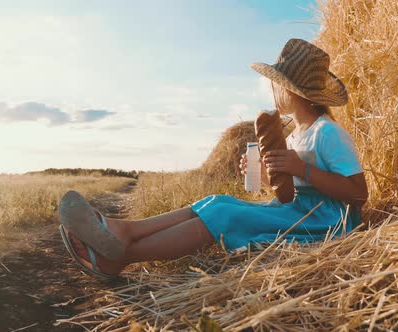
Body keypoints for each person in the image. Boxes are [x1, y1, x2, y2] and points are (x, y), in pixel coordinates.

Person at [58, 39, 368, 279]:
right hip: (300, 212)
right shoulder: (294, 134)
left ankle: (121, 255)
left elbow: (358, 193)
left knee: (225, 218)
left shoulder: (328, 133)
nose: (272, 87)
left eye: (276, 81)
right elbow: (287, 196)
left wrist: (302, 168)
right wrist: (267, 172)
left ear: (293, 90)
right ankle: (126, 231)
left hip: (327, 223)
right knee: (218, 201)